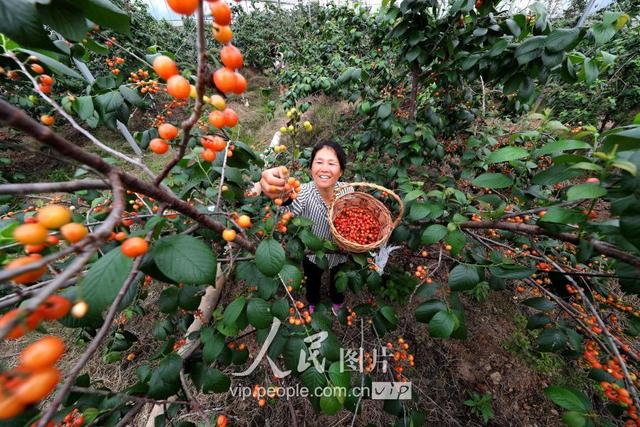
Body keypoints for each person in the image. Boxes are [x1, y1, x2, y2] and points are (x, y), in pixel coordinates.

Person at [257, 140, 352, 315]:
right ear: (311, 169)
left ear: (341, 171)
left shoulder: (348, 192)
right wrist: (279, 189)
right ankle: (313, 302)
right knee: (312, 281)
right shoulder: (304, 192)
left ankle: (337, 301)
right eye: (319, 162)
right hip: (312, 255)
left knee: (337, 281)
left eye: (331, 163)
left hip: (340, 253)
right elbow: (289, 205)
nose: (324, 168)